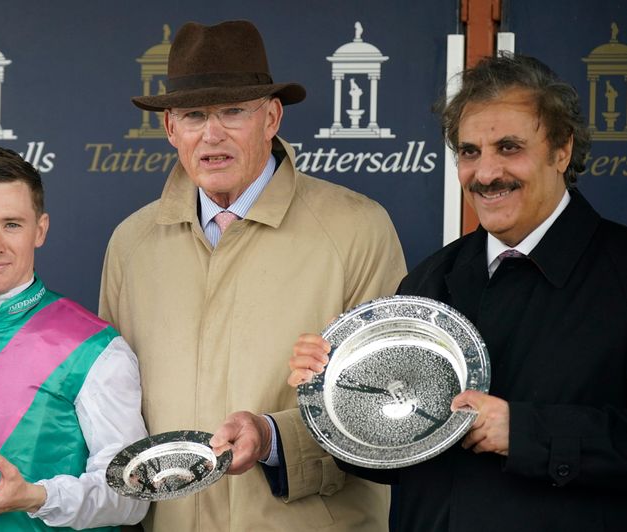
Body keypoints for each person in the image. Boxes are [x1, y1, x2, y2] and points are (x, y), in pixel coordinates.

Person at [288, 53, 627, 530]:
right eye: (469, 151)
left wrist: (527, 433)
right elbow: (388, 456)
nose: (485, 173)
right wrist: (334, 397)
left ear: (562, 150)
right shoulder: (430, 280)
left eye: (509, 148)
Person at [99, 20, 406, 531]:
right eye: (194, 115)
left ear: (271, 118)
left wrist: (273, 438)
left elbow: (393, 402)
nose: (211, 134)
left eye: (232, 111)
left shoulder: (356, 228)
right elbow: (110, 413)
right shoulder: (130, 246)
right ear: (171, 128)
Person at [0, 146, 149, 531]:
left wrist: (39, 497)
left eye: (12, 224)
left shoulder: (96, 347)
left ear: (40, 229)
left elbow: (133, 494)